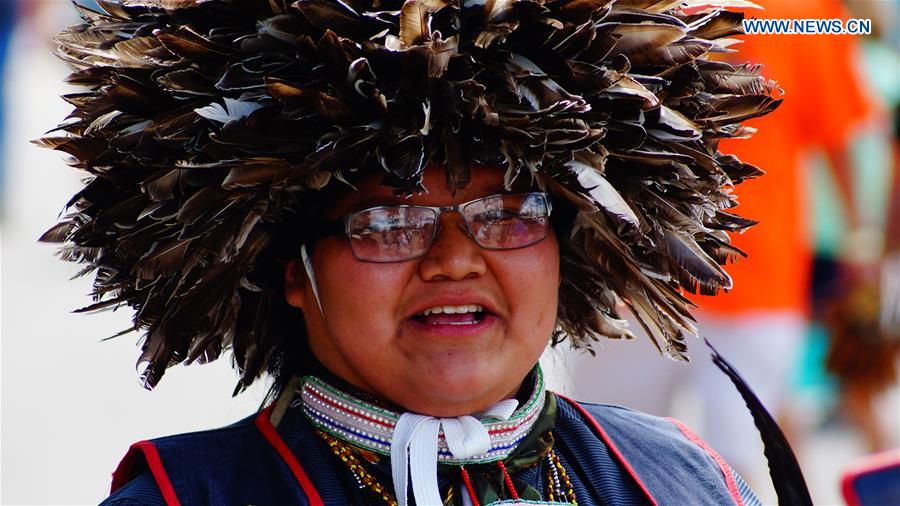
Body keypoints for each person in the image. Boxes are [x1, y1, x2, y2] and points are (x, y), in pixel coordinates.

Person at [39, 0, 788, 504]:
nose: (455, 260)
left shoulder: (680, 479)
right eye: (390, 224)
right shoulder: (190, 494)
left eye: (508, 213)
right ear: (290, 271)